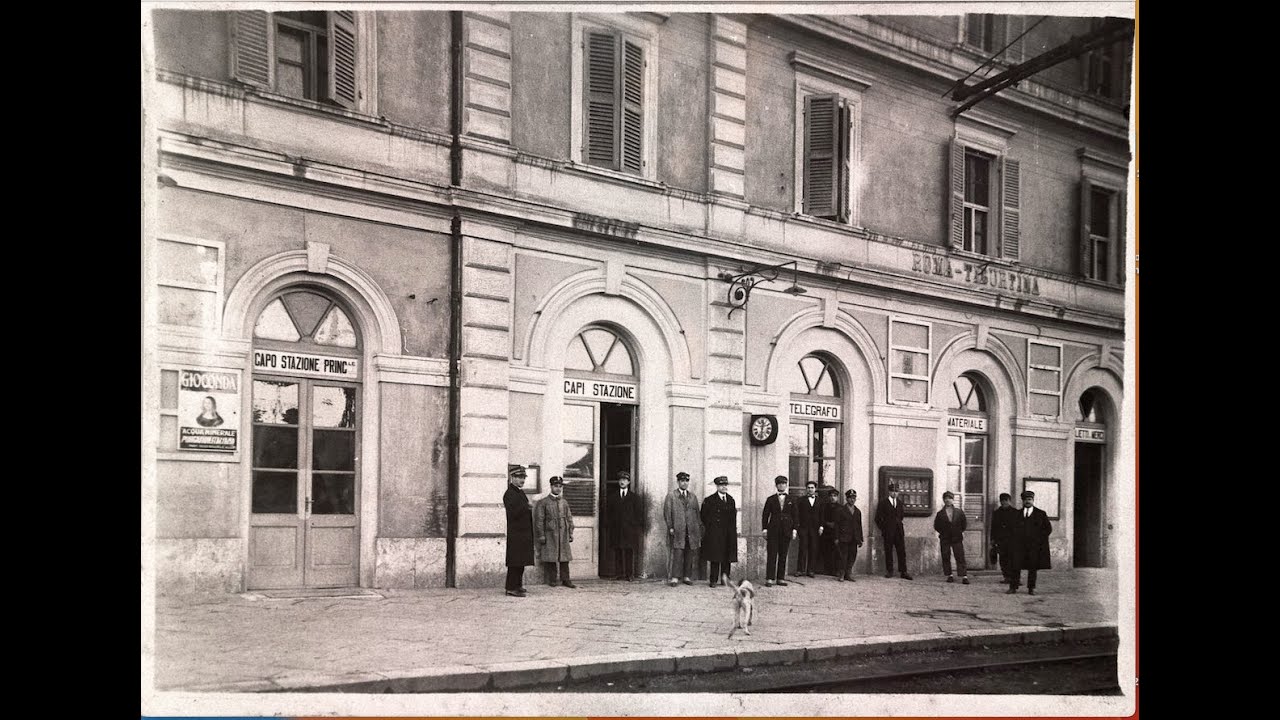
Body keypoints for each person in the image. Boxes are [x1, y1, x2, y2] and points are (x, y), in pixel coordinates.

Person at [534, 476, 576, 588]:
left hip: (563, 533)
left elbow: (569, 517)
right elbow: (539, 520)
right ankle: (552, 579)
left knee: (564, 557)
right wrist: (541, 535)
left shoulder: (564, 502)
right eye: (555, 486)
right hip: (550, 533)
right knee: (551, 557)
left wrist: (570, 532)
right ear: (551, 487)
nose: (558, 488)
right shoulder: (543, 503)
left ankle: (566, 579)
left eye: (560, 486)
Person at [1008, 489, 1052, 595]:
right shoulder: (1017, 514)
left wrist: (1039, 539)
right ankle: (1013, 587)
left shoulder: (1041, 514)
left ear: (1033, 500)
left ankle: (1031, 588)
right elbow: (1011, 529)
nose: (1027, 501)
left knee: (1032, 567)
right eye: (1025, 500)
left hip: (1034, 546)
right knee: (1015, 566)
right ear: (1022, 501)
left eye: (1030, 499)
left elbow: (1048, 529)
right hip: (1019, 546)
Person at [663, 471, 702, 586]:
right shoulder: (671, 496)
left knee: (689, 553)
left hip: (691, 529)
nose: (684, 483)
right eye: (682, 481)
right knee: (678, 552)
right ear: (678, 482)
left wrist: (697, 528)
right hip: (678, 529)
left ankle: (687, 576)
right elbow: (667, 513)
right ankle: (675, 577)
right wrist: (670, 527)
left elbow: (697, 513)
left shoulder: (692, 497)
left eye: (686, 481)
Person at [502, 465, 534, 597]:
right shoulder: (509, 493)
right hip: (516, 533)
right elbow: (512, 513)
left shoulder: (519, 492)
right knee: (515, 561)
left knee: (521, 561)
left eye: (523, 477)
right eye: (519, 477)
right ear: (512, 478)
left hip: (523, 532)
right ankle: (511, 587)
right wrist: (527, 507)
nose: (522, 480)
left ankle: (518, 585)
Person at [606, 470, 643, 581]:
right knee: (617, 550)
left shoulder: (634, 497)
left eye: (625, 480)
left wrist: (634, 526)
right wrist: (611, 525)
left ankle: (629, 574)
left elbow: (639, 514)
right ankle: (619, 573)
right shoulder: (612, 497)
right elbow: (609, 513)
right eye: (621, 480)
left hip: (629, 530)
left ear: (629, 482)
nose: (622, 482)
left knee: (628, 551)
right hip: (617, 529)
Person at [761, 475, 798, 586]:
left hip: (786, 530)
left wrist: (794, 529)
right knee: (772, 554)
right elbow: (765, 515)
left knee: (783, 555)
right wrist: (764, 529)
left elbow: (796, 515)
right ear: (776, 485)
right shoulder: (770, 499)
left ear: (786, 485)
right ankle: (769, 578)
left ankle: (780, 578)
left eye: (783, 483)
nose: (781, 485)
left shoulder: (792, 499)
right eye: (779, 483)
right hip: (773, 530)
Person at [701, 476, 738, 587]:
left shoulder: (731, 500)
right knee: (715, 557)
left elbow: (733, 517)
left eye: (725, 485)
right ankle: (713, 580)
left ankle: (725, 579)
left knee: (727, 557)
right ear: (717, 486)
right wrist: (712, 528)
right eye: (721, 485)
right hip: (715, 533)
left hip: (728, 533)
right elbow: (703, 516)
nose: (724, 487)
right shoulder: (710, 500)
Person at [875, 482, 912, 580]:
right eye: (892, 491)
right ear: (889, 492)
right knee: (888, 550)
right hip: (888, 532)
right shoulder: (883, 503)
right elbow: (877, 518)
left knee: (901, 551)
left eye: (896, 491)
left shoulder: (899, 503)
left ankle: (903, 571)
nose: (894, 493)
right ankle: (890, 571)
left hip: (899, 531)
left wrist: (898, 525)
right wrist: (884, 528)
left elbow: (901, 516)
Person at [934, 491, 969, 584]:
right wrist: (943, 532)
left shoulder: (959, 512)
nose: (948, 500)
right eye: (946, 498)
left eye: (950, 498)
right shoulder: (940, 513)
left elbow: (964, 524)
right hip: (945, 538)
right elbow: (936, 526)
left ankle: (964, 576)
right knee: (946, 555)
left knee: (960, 556)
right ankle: (949, 575)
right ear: (943, 500)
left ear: (953, 500)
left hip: (956, 537)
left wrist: (958, 532)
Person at [832, 489, 864, 581]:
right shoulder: (841, 510)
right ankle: (841, 574)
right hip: (844, 537)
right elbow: (837, 525)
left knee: (852, 556)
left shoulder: (858, 511)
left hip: (854, 538)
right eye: (850, 498)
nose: (852, 500)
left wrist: (860, 539)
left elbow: (859, 525)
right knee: (843, 556)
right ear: (846, 499)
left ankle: (848, 573)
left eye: (854, 498)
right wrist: (836, 537)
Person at [795, 481, 822, 578]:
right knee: (802, 548)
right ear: (806, 489)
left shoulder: (820, 501)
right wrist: (797, 526)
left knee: (813, 548)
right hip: (803, 527)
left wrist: (821, 526)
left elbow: (822, 514)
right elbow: (797, 514)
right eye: (809, 488)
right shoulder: (801, 500)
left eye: (812, 488)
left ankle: (811, 570)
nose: (810, 489)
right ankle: (800, 570)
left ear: (815, 489)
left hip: (815, 528)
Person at [991, 493, 1018, 584]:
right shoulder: (997, 513)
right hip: (1001, 540)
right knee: (1003, 559)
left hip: (1013, 540)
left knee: (1013, 559)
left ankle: (1015, 578)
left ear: (1010, 501)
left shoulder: (1015, 512)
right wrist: (992, 539)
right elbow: (993, 527)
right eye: (1002, 500)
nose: (1004, 502)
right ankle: (1006, 577)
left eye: (1006, 500)